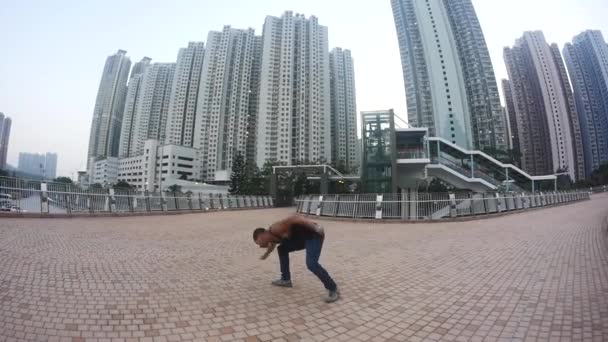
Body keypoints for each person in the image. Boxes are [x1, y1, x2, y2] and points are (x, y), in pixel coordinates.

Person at [253, 215, 339, 303]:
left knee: (311, 264)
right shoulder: (272, 238)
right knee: (282, 249)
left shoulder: (276, 228)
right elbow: (271, 247)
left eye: (258, 242)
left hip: (314, 235)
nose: (260, 246)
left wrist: (314, 226)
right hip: (303, 240)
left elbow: (294, 218)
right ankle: (285, 279)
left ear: (262, 235)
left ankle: (333, 288)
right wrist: (266, 254)